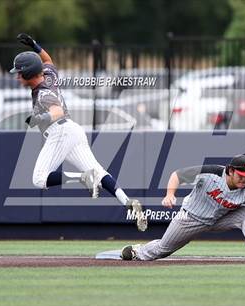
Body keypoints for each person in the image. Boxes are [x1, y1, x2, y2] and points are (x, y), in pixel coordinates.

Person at [9, 33, 147, 231]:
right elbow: (48, 60)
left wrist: (40, 118)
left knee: (39, 179)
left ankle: (82, 178)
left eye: (19, 72)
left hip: (60, 132)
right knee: (99, 172)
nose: (17, 76)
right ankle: (128, 203)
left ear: (29, 73)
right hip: (73, 130)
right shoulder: (48, 74)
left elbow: (56, 110)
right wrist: (35, 45)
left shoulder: (43, 94)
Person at [121, 154, 245, 262]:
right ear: (230, 171)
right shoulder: (210, 172)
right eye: (241, 175)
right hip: (190, 218)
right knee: (162, 250)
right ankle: (137, 251)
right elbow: (177, 175)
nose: (244, 179)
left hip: (218, 220)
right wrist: (170, 194)